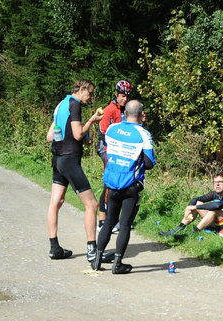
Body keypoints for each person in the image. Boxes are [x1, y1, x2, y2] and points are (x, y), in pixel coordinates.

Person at [91, 100, 155, 274]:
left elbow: (105, 146)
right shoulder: (143, 134)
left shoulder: (112, 128)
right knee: (125, 224)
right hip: (130, 186)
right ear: (141, 114)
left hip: (112, 183)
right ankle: (117, 264)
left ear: (124, 113)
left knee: (109, 221)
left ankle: (97, 258)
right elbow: (149, 163)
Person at [46, 79, 104, 260]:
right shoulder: (75, 104)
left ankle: (54, 247)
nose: (91, 97)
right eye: (90, 93)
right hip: (70, 160)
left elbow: (50, 136)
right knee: (92, 204)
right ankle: (92, 250)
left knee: (56, 202)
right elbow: (78, 133)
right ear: (81, 89)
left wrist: (78, 137)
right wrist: (91, 121)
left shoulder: (61, 104)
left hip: (57, 159)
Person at [96, 80, 133, 234]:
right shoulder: (109, 110)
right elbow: (103, 133)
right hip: (107, 150)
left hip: (120, 151)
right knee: (109, 182)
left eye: (127, 96)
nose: (125, 99)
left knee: (121, 183)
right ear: (117, 94)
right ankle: (102, 221)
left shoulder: (126, 110)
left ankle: (116, 219)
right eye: (123, 96)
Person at [158, 172, 223, 236]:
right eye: (215, 182)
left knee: (214, 209)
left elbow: (218, 206)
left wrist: (195, 207)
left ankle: (191, 234)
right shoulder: (215, 193)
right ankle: (177, 229)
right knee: (198, 203)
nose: (217, 184)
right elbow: (195, 199)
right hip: (218, 223)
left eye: (220, 182)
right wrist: (189, 208)